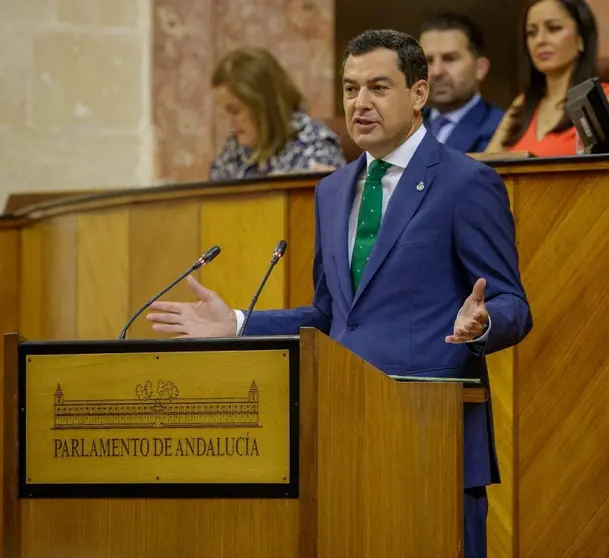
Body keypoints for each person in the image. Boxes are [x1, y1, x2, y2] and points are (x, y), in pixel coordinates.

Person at [146, 29, 532, 558]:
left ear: (418, 94)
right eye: (351, 90)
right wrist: (237, 323)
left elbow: (513, 304)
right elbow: (331, 317)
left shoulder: (467, 184)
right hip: (344, 431)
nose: (361, 103)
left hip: (429, 435)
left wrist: (483, 323)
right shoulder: (331, 191)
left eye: (378, 87)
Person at [483, 0, 609, 156]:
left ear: (581, 39)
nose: (540, 40)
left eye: (553, 28)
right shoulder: (522, 104)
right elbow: (484, 166)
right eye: (531, 33)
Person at [209, 47, 346, 180]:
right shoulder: (235, 147)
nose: (229, 121)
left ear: (264, 106)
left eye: (235, 110)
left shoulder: (316, 145)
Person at [419, 13, 505, 153]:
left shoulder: (501, 129)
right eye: (428, 61)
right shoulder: (403, 127)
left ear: (480, 68)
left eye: (450, 59)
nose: (437, 71)